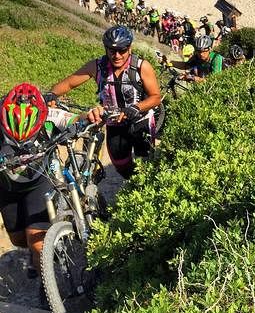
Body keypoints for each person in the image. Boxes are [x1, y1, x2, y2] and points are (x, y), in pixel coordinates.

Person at [49, 26, 161, 179]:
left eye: (122, 50)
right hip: (114, 123)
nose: (117, 55)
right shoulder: (97, 66)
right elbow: (69, 84)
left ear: (129, 48)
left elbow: (155, 97)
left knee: (147, 163)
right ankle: (133, 185)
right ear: (106, 48)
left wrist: (136, 107)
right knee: (121, 165)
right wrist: (50, 95)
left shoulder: (141, 66)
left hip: (141, 120)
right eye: (111, 50)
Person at [0, 84, 80, 280]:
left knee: (37, 243)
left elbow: (77, 119)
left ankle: (45, 285)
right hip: (6, 187)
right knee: (18, 240)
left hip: (39, 182)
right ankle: (33, 253)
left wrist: (92, 116)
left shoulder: (50, 115)